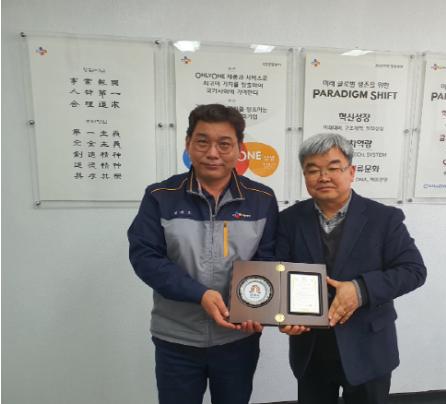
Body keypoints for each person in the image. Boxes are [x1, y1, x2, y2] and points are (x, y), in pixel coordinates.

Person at [128, 104, 278, 404]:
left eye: (224, 144)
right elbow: (146, 257)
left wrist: (257, 308)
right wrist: (200, 294)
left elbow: (268, 258)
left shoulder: (261, 199)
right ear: (188, 144)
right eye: (202, 141)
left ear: (239, 149)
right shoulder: (160, 196)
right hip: (176, 338)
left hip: (237, 339)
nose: (212, 153)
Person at [277, 133, 426, 404]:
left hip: (368, 346)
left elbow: (413, 270)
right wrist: (282, 314)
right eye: (313, 170)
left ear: (352, 172)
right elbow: (278, 272)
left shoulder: (384, 218)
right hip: (311, 347)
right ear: (305, 175)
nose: (323, 177)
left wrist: (360, 289)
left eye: (333, 168)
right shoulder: (289, 220)